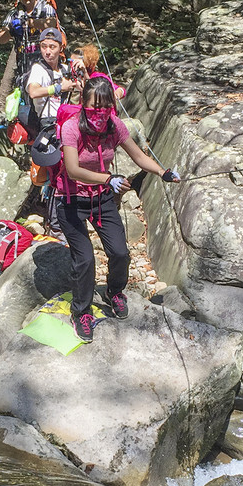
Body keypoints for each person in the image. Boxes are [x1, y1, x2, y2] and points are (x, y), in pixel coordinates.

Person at [54, 76, 181, 343]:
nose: (99, 114)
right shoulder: (71, 128)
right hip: (70, 200)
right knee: (85, 259)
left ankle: (114, 292)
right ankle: (82, 312)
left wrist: (163, 171)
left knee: (120, 252)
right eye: (94, 107)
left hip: (101, 200)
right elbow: (73, 169)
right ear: (83, 104)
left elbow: (138, 155)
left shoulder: (114, 125)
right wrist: (108, 179)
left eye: (105, 107)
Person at [0, 0, 59, 91]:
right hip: (23, 68)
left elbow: (51, 25)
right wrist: (11, 31)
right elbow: (0, 39)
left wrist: (29, 23)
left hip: (45, 68)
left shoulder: (46, 8)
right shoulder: (14, 13)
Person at [25, 28, 78, 131]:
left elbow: (85, 89)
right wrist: (59, 88)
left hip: (67, 120)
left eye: (52, 47)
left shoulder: (65, 69)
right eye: (43, 47)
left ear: (61, 48)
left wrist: (84, 72)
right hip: (48, 123)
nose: (47, 51)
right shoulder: (38, 69)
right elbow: (33, 92)